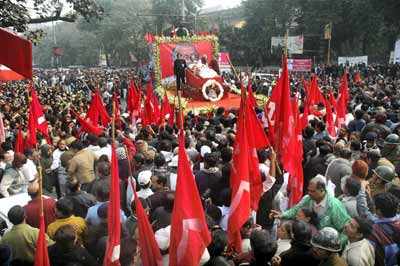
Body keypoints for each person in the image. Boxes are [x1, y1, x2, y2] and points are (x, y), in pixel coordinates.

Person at [271, 176, 351, 245]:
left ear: (322, 190)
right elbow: (295, 210)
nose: (309, 193)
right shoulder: (308, 199)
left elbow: (346, 229)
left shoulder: (335, 206)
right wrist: (283, 215)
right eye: (308, 190)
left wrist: (336, 245)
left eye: (312, 191)